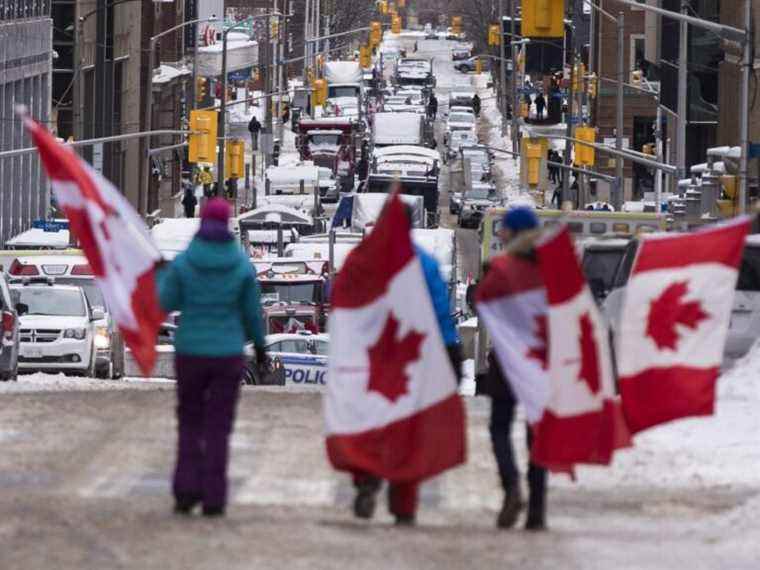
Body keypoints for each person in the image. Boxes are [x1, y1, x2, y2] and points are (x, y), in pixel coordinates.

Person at [351, 205, 462, 526]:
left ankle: (367, 478)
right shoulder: (426, 264)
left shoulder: (369, 259)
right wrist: (450, 358)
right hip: (420, 356)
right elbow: (442, 314)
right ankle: (404, 503)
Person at [157, 198, 268, 517]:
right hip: (228, 354)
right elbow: (252, 314)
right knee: (219, 426)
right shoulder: (241, 265)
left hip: (191, 350)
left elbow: (165, 300)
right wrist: (260, 348)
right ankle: (214, 496)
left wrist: (161, 278)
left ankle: (185, 489)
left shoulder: (184, 262)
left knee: (190, 422)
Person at [478, 207, 548, 531]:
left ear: (513, 232)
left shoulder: (502, 268)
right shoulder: (553, 269)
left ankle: (511, 487)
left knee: (500, 428)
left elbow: (482, 300)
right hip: (541, 362)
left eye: (504, 229)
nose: (500, 233)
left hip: (507, 362)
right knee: (538, 437)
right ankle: (537, 509)